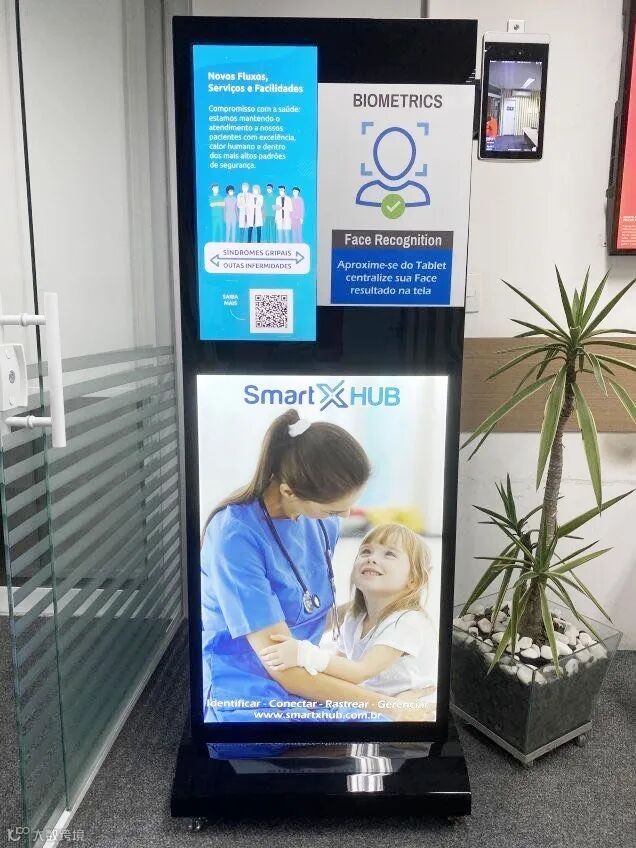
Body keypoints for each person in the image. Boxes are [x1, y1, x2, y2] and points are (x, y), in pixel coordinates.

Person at [200, 410, 425, 723]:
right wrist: (391, 707)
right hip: (248, 687)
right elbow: (283, 668)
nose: (345, 516)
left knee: (409, 714)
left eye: (349, 504)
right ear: (288, 491)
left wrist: (387, 609)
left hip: (304, 674)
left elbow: (308, 610)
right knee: (387, 722)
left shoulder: (321, 522)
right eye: (334, 509)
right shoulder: (235, 536)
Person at [260, 523, 438, 716]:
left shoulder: (407, 622)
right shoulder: (355, 617)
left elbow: (359, 672)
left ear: (414, 580)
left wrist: (303, 654)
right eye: (366, 551)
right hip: (381, 706)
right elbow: (340, 668)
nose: (372, 558)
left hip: (415, 712)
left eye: (389, 554)